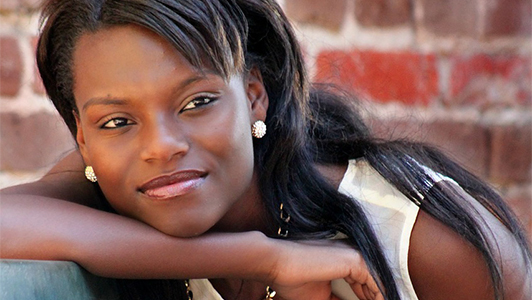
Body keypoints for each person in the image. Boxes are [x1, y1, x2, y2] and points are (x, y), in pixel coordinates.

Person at [1, 0, 531, 299]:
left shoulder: (425, 241)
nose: (160, 146)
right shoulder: (117, 186)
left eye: (196, 102)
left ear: (255, 94)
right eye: (117, 120)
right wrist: (263, 257)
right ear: (82, 136)